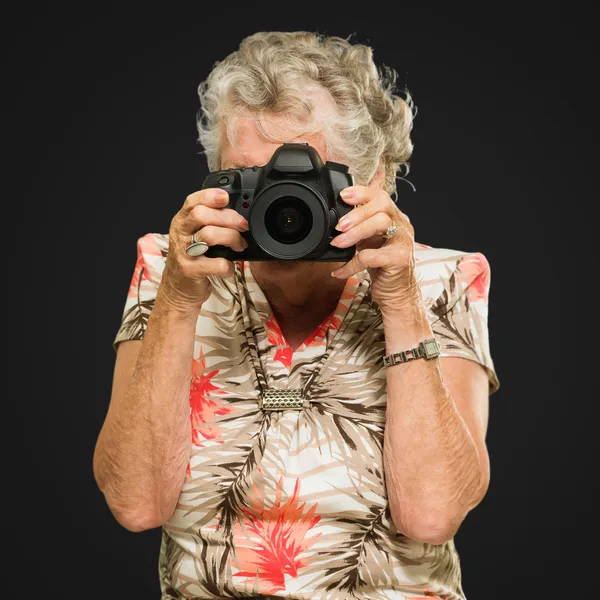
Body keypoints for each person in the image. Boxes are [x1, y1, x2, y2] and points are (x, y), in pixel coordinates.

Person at [93, 31, 500, 600]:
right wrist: (179, 303)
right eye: (253, 182)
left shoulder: (439, 280)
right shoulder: (174, 270)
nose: (280, 209)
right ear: (216, 180)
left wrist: (402, 306)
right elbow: (135, 503)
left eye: (305, 181)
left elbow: (433, 516)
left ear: (373, 180)